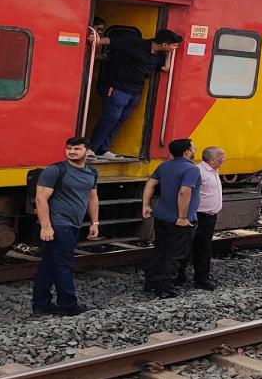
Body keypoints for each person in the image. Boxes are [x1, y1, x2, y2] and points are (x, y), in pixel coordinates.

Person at [88, 29, 182, 159]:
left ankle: (102, 149)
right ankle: (91, 148)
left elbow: (166, 68)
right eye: (173, 46)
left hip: (135, 91)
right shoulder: (134, 43)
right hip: (117, 87)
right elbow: (109, 41)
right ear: (164, 45)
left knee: (120, 120)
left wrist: (168, 54)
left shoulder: (159, 56)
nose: (175, 48)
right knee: (111, 118)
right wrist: (96, 40)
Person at [32, 136, 99, 316]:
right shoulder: (55, 170)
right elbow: (40, 198)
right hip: (59, 225)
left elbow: (92, 197)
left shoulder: (91, 172)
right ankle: (68, 306)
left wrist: (94, 222)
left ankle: (41, 304)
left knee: (49, 265)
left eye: (77, 149)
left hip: (74, 224)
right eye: (69, 148)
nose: (72, 152)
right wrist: (46, 226)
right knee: (64, 265)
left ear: (87, 151)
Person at [142, 138, 201, 299]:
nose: (195, 150)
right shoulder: (191, 169)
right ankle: (165, 288)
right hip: (178, 219)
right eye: (193, 147)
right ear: (187, 152)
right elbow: (184, 192)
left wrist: (146, 205)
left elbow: (150, 184)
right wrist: (182, 217)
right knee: (175, 254)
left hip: (161, 216)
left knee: (160, 250)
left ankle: (151, 283)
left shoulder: (164, 166)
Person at [176, 146, 225, 290]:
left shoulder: (213, 170)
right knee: (189, 247)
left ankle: (200, 278)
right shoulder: (198, 171)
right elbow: (187, 192)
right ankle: (181, 277)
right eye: (221, 158)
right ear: (212, 159)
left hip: (209, 216)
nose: (223, 160)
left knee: (204, 248)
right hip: (199, 215)